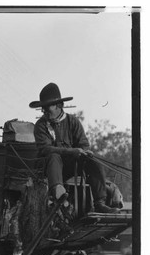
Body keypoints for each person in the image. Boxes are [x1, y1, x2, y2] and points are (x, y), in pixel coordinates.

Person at [29, 82, 119, 213]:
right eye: (43, 108)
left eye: (47, 107)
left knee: (94, 160)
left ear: (59, 105)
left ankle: (100, 203)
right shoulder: (40, 125)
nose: (44, 111)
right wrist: (72, 151)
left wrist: (85, 152)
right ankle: (59, 194)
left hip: (71, 167)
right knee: (53, 156)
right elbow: (45, 149)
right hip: (49, 169)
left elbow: (84, 144)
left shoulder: (73, 122)